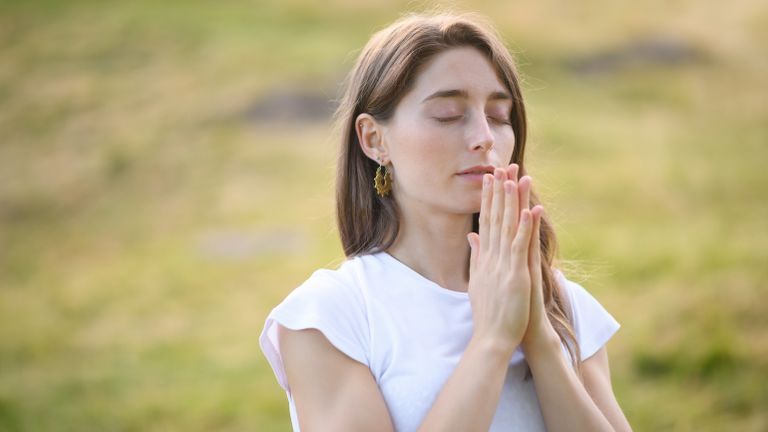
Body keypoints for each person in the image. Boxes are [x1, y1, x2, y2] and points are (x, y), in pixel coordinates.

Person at [259, 11, 632, 432]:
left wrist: (541, 340)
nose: (484, 137)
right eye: (449, 114)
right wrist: (492, 341)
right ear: (374, 139)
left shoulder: (562, 304)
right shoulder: (332, 316)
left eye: (498, 116)